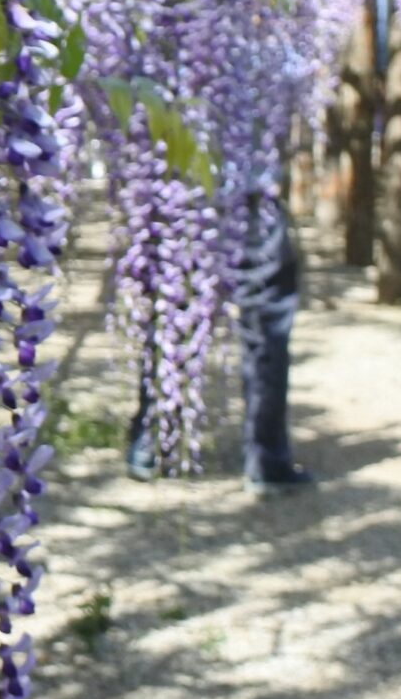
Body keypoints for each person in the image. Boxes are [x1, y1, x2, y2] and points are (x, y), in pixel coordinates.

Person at [124, 181, 314, 492]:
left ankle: (152, 444)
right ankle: (267, 461)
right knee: (265, 325)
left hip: (183, 195)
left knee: (174, 311)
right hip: (247, 196)